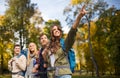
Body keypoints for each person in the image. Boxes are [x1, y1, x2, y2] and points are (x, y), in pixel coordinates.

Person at [42, 5, 87, 78]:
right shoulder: (49, 47)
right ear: (52, 33)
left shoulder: (64, 44)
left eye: (58, 29)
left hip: (64, 75)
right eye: (54, 30)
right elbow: (48, 62)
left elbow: (72, 32)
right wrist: (44, 56)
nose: (56, 30)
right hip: (51, 75)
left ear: (60, 31)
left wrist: (79, 17)